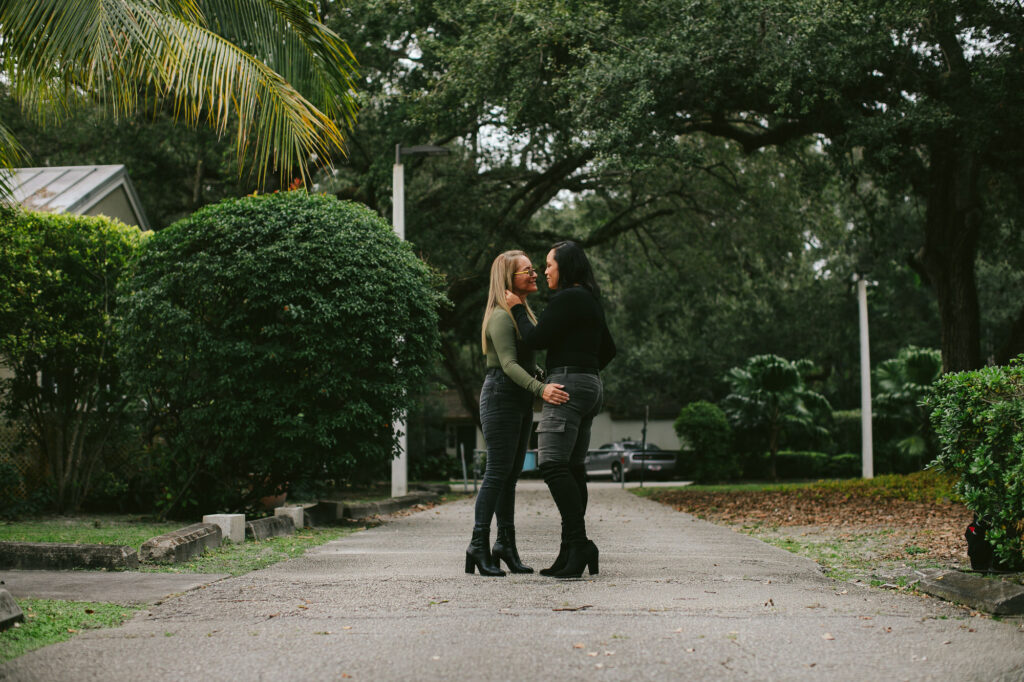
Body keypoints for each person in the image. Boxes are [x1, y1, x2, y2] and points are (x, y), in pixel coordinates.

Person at [505, 240, 615, 579]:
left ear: (564, 267)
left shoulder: (567, 297)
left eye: (550, 265)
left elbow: (535, 339)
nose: (546, 271)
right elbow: (609, 349)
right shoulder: (590, 300)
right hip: (590, 385)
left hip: (567, 386)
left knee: (551, 464)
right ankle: (571, 549)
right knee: (574, 467)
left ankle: (579, 543)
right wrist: (584, 368)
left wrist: (517, 308)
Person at [465, 250, 571, 576]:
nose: (535, 274)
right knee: (497, 473)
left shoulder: (520, 310)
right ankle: (478, 544)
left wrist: (540, 376)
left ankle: (505, 545)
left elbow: (524, 360)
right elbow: (508, 365)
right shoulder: (500, 315)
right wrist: (541, 389)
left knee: (510, 476)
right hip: (500, 396)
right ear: (509, 279)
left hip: (518, 398)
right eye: (527, 271)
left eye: (534, 269)